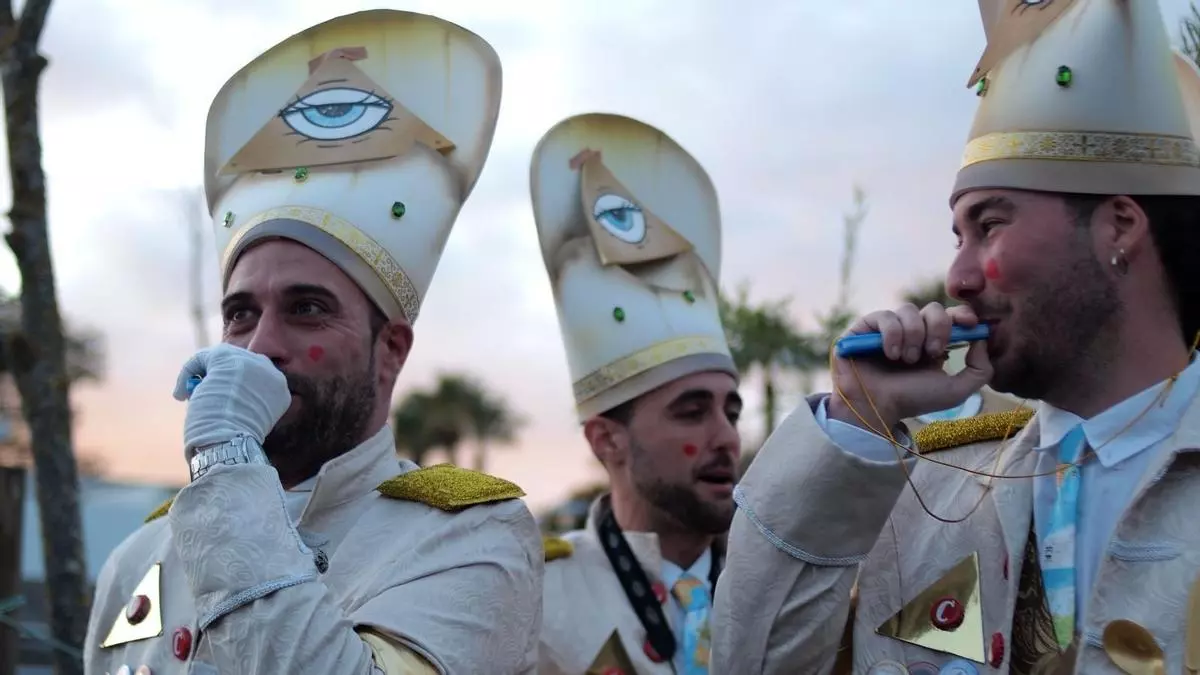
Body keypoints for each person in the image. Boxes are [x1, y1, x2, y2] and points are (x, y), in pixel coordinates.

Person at [711, 1, 1200, 673]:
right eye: (957, 236)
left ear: (1119, 225)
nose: (957, 277)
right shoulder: (927, 492)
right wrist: (858, 423)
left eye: (990, 225)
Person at [83, 11, 543, 675]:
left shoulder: (472, 534)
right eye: (240, 314)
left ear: (391, 351)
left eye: (307, 309)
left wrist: (226, 461)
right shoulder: (140, 555)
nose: (260, 346)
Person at [529, 113, 743, 674]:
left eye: (731, 410)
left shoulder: (778, 590)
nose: (726, 437)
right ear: (606, 440)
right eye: (691, 412)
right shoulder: (534, 603)